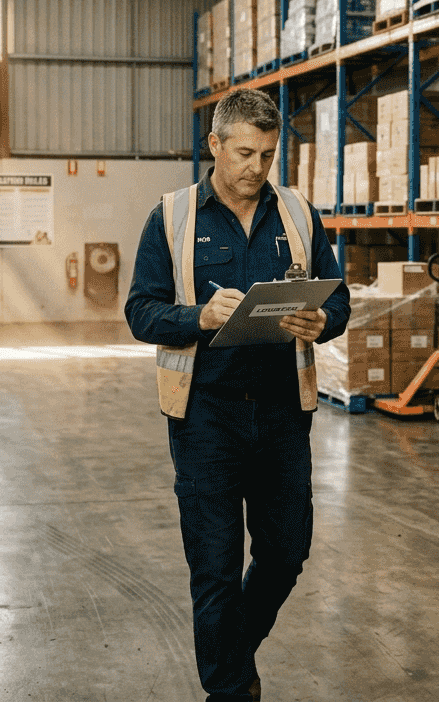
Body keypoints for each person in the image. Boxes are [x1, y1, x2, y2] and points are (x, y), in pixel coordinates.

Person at [125, 88, 351, 701]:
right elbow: (140, 312)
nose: (256, 167)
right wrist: (197, 317)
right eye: (245, 153)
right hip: (206, 417)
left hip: (282, 412)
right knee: (216, 567)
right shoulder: (172, 217)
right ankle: (230, 690)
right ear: (215, 146)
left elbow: (338, 301)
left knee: (285, 553)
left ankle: (230, 652)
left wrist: (321, 322)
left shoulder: (298, 214)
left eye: (268, 155)